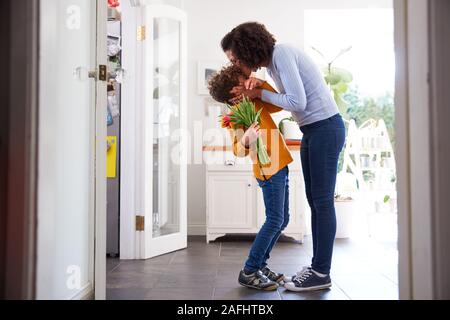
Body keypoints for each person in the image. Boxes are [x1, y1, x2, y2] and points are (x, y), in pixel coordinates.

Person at [221, 22, 346, 292]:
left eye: (235, 58)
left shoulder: (282, 54)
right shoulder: (272, 65)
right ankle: (316, 268)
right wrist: (259, 89)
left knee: (322, 203)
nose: (236, 64)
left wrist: (257, 92)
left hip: (325, 127)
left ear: (246, 48)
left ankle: (321, 272)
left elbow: (296, 102)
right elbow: (284, 100)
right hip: (313, 130)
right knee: (316, 202)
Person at [208, 65, 293, 291]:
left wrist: (259, 85)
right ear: (233, 92)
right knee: (275, 219)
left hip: (281, 164)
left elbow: (277, 105)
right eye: (243, 80)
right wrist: (246, 139)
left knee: (283, 219)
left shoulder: (254, 101)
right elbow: (238, 149)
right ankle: (249, 270)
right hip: (268, 169)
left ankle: (261, 266)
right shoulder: (234, 116)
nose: (248, 80)